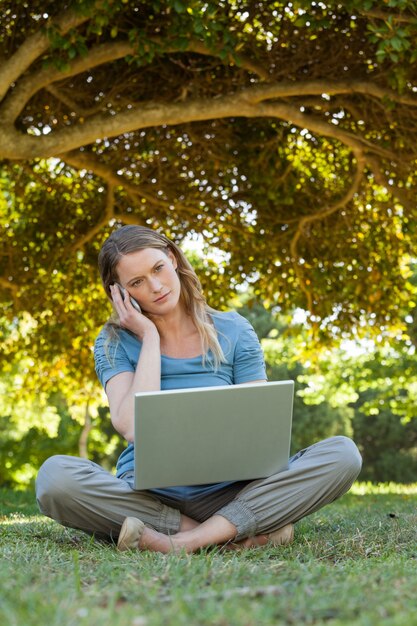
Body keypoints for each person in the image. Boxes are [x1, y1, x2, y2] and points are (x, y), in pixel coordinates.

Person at [36, 225, 362, 553]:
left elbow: (260, 427)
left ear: (173, 258)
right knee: (55, 479)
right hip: (149, 498)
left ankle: (182, 542)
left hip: (230, 493)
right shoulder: (114, 342)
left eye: (158, 269)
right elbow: (133, 427)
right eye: (136, 283)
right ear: (119, 294)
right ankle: (227, 536)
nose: (156, 286)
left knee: (343, 454)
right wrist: (149, 337)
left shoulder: (234, 330)